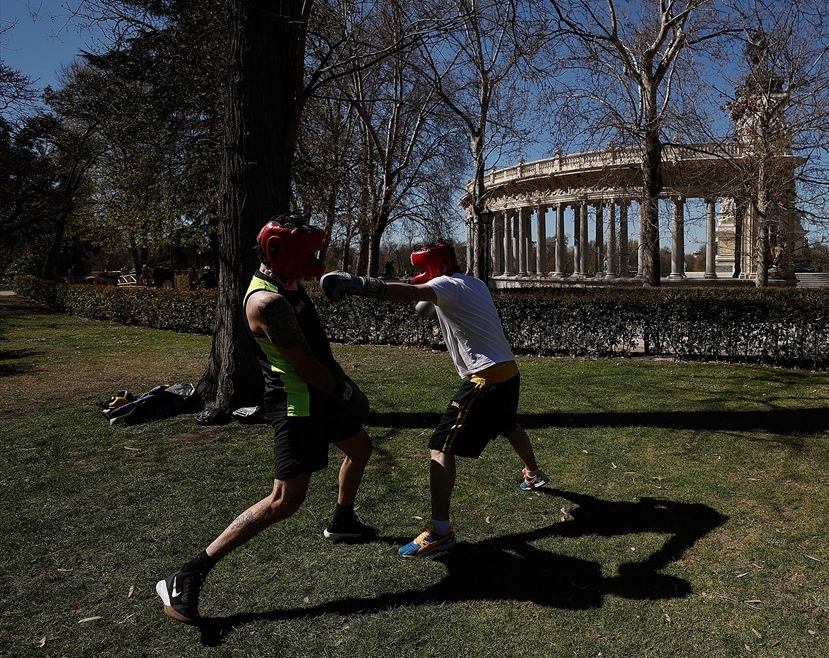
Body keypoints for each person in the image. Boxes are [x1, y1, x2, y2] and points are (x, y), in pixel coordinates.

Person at [155, 214, 377, 624]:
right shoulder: (267, 303)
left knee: (360, 449)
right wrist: (345, 392)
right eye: (308, 253)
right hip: (299, 402)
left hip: (322, 390)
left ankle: (343, 521)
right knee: (283, 501)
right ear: (278, 251)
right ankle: (186, 575)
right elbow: (304, 364)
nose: (316, 260)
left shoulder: (288, 282)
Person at [321, 240, 548, 559]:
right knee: (507, 424)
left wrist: (358, 285)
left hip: (486, 378)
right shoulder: (474, 283)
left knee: (440, 448)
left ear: (440, 266)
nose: (419, 273)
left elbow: (410, 293)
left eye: (422, 267)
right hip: (509, 371)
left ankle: (440, 531)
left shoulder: (446, 285)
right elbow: (434, 299)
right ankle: (533, 474)